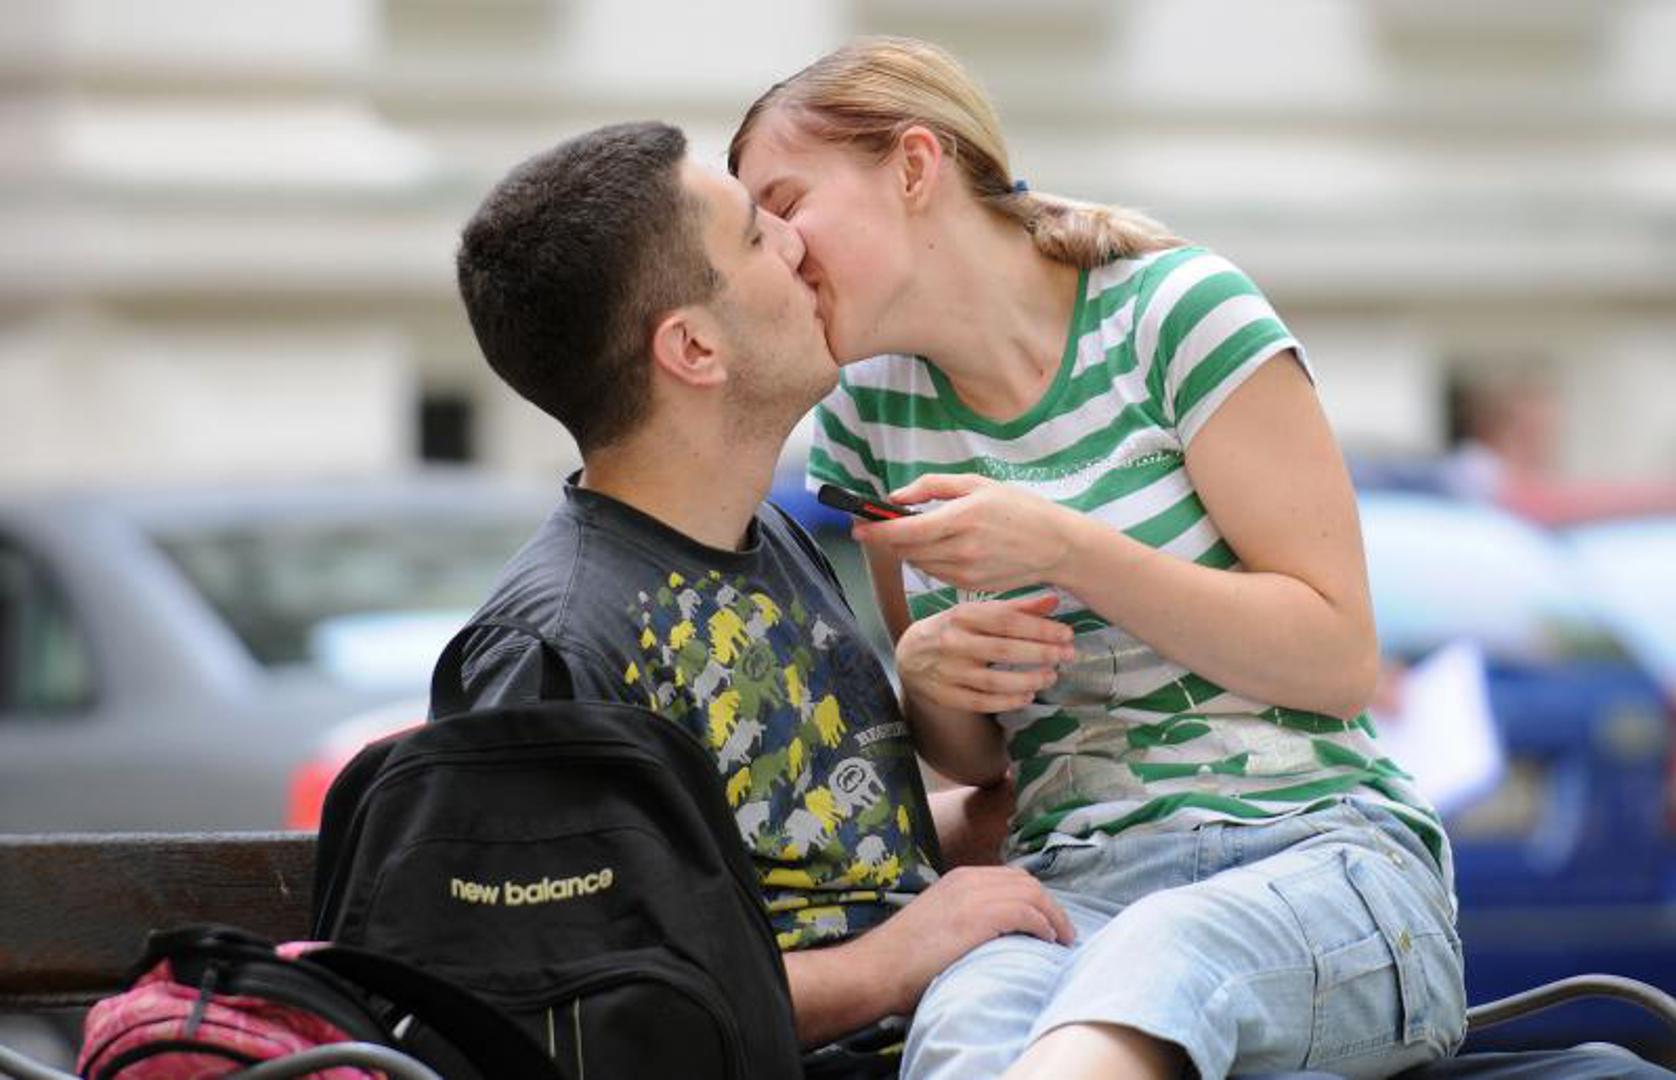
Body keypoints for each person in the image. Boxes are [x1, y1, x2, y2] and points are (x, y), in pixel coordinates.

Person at [730, 38, 1466, 1080]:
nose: (779, 249)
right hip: (1067, 885)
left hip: (1313, 857)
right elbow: (980, 757)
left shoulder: (1177, 313)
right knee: (961, 1030)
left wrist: (1067, 549)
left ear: (911, 166)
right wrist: (930, 679)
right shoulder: (866, 418)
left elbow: (1338, 657)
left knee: (1156, 970)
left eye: (786, 201)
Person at [442, 120, 1074, 1066]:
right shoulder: (553, 644)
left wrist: (1075, 796)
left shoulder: (763, 537)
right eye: (755, 232)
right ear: (694, 347)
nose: (797, 242)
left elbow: (816, 866)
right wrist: (894, 961)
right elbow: (573, 1003)